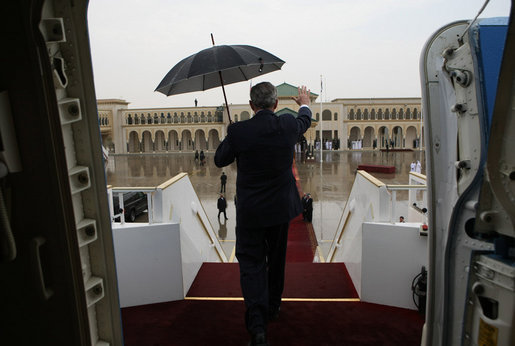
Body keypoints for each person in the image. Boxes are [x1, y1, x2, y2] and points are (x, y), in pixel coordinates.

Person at [214, 82, 311, 346]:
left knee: (252, 265)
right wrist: (304, 100)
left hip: (251, 214)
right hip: (280, 210)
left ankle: (257, 327)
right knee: (276, 260)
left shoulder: (239, 131)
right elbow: (304, 119)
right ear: (276, 104)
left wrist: (231, 134)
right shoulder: (288, 125)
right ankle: (273, 307)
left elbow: (219, 159)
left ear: (251, 105)